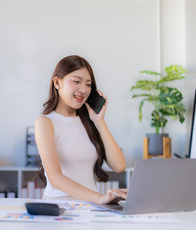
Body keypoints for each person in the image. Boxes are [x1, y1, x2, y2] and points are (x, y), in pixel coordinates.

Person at [35, 55, 127, 204]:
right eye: (76, 81)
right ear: (57, 82)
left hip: (90, 207)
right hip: (59, 206)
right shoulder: (45, 123)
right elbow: (55, 178)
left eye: (88, 84)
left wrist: (99, 121)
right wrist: (100, 197)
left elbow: (119, 166)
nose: (83, 90)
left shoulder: (89, 122)